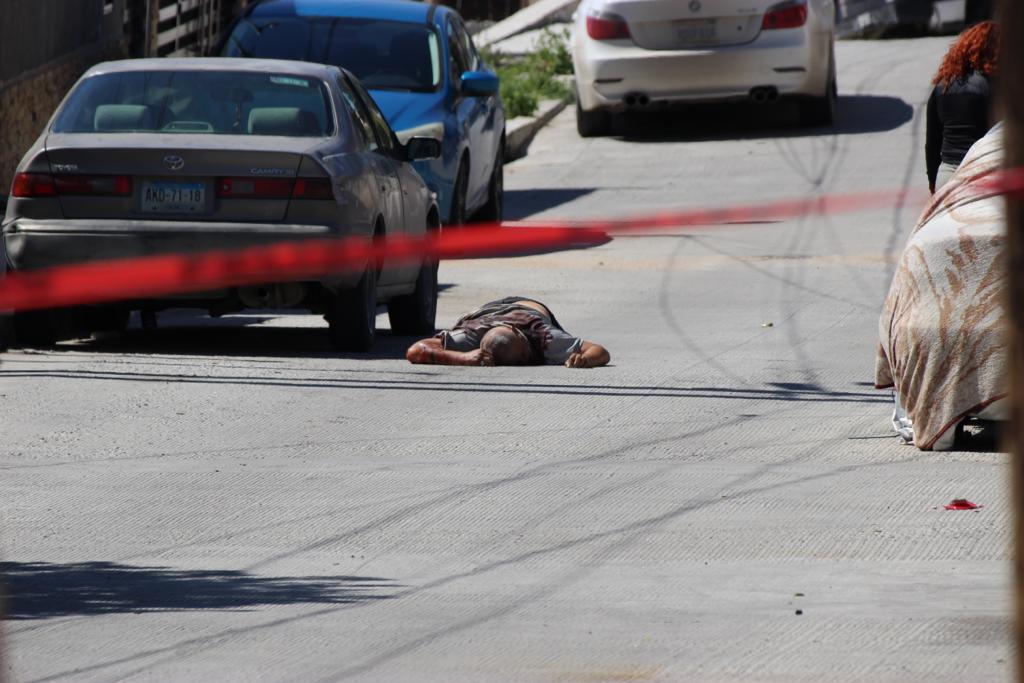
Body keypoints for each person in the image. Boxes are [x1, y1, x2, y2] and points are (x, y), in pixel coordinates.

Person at [406, 297, 611, 368]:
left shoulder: (543, 336)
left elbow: (600, 351)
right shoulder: (470, 336)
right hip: (486, 312)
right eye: (522, 360)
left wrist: (584, 360)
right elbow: (415, 351)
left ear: (519, 334)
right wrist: (461, 358)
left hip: (528, 307)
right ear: (482, 350)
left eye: (522, 356)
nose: (527, 358)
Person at [925, 20, 999, 194]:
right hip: (984, 175)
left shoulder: (942, 86)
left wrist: (934, 184)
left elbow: (933, 144)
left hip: (948, 176)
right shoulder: (995, 88)